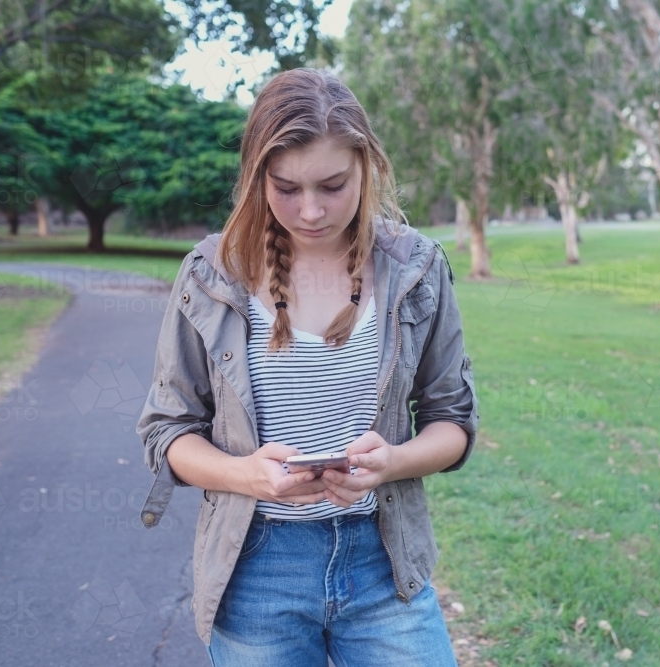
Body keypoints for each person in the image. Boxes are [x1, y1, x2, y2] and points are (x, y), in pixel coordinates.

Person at [135, 68, 479, 666]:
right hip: (256, 570)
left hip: (383, 563)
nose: (312, 210)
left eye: (333, 184)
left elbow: (454, 423)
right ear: (255, 175)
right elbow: (167, 432)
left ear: (367, 166)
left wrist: (391, 462)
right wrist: (248, 476)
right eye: (286, 187)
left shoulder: (417, 267)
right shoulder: (210, 274)